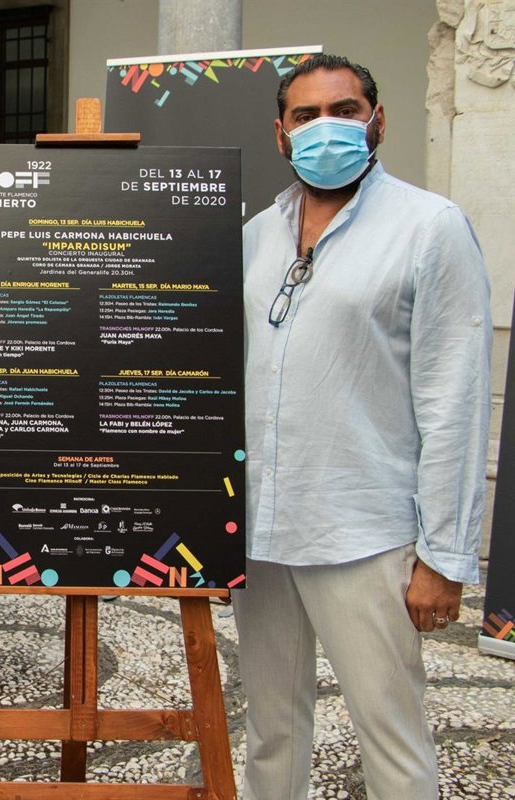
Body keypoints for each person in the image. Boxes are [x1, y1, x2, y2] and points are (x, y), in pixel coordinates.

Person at [234, 54, 491, 800]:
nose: (326, 128)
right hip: (262, 532)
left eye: (343, 111)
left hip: (364, 529)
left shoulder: (429, 228)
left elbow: (453, 399)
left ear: (377, 121)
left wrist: (443, 557)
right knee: (270, 730)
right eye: (306, 116)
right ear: (280, 134)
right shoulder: (256, 235)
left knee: (392, 734)